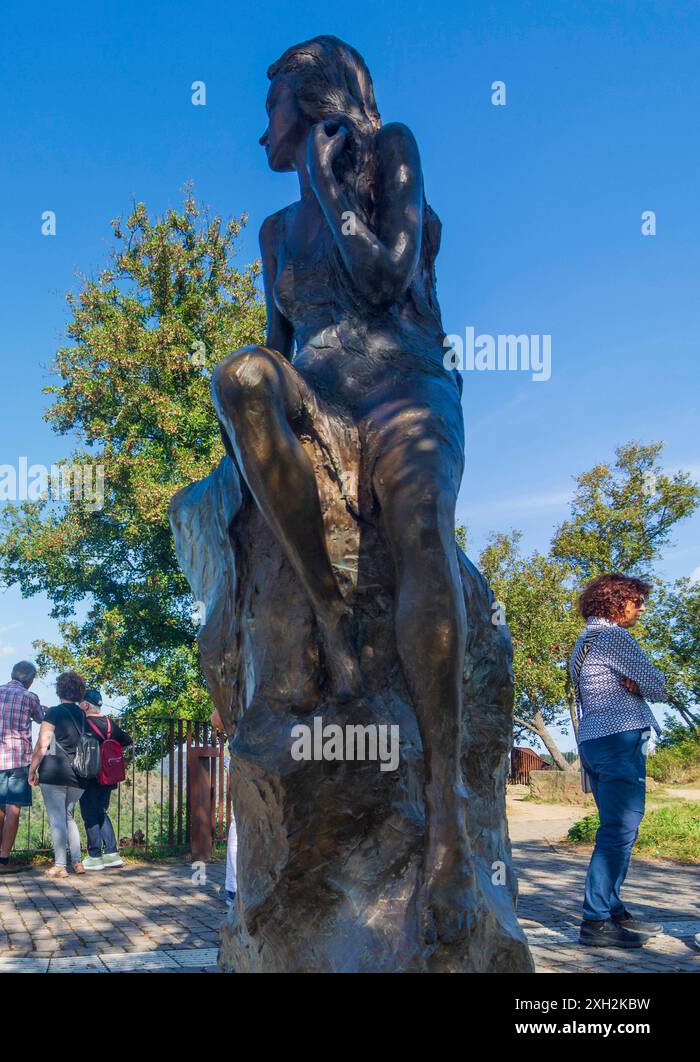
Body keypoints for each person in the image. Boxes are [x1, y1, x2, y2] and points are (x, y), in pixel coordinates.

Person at [211, 36, 476, 936]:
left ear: (317, 101)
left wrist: (333, 186)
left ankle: (447, 823)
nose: (262, 135)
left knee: (421, 529)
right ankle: (330, 615)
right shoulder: (274, 233)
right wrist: (234, 475)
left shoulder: (390, 153)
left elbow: (385, 274)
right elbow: (274, 355)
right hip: (319, 394)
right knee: (239, 377)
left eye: (271, 109)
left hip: (404, 387)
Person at [571, 574, 666, 949]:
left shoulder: (584, 642)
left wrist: (635, 684)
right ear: (615, 602)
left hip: (594, 742)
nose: (641, 608)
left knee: (614, 827)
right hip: (618, 741)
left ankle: (612, 909)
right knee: (620, 831)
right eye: (636, 601)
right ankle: (595, 921)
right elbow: (657, 685)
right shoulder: (613, 638)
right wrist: (640, 684)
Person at [28, 671, 91, 877]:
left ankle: (60, 865)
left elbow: (43, 743)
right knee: (69, 818)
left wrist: (32, 768)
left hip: (54, 772)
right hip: (79, 775)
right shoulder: (83, 715)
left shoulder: (54, 712)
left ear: (59, 689)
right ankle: (77, 863)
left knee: (57, 820)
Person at [0, 660, 44, 874]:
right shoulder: (29, 697)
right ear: (29, 680)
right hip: (19, 759)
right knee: (13, 809)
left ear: (12, 674)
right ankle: (4, 861)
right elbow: (41, 718)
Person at [78, 689, 132, 870]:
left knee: (89, 814)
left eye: (81, 703)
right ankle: (111, 853)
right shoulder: (110, 724)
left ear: (86, 705)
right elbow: (127, 740)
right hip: (109, 776)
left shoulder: (83, 723)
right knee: (101, 811)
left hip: (90, 775)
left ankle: (95, 855)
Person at [211, 707, 237, 907]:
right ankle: (234, 888)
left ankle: (235, 889)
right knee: (241, 820)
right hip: (242, 753)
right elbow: (216, 719)